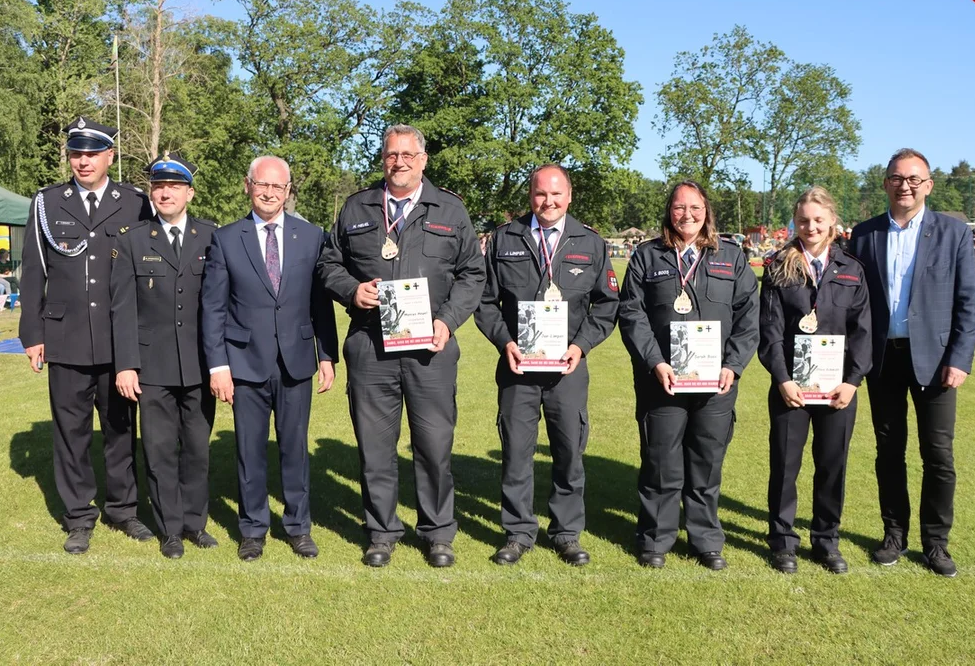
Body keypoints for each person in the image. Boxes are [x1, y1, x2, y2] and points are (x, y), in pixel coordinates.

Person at [318, 124, 485, 568]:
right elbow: (328, 263)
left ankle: (437, 533)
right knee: (375, 447)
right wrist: (352, 290)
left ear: (424, 160)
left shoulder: (450, 209)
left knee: (433, 447)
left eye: (409, 154)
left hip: (431, 349)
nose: (400, 162)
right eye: (392, 154)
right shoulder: (357, 207)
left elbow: (473, 274)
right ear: (383, 159)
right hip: (371, 346)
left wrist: (448, 322)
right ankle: (381, 531)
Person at [19, 116, 154, 554]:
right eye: (76, 153)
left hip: (119, 340)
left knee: (120, 428)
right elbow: (33, 271)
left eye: (92, 154)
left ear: (109, 156)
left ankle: (123, 510)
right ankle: (78, 515)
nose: (82, 161)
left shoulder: (134, 202)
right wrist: (32, 332)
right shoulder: (47, 203)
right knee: (70, 431)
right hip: (66, 336)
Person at [474, 164, 619, 566]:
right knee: (517, 452)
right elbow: (484, 302)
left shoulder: (590, 243)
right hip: (518, 368)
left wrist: (582, 346)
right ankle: (518, 532)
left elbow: (608, 305)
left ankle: (567, 532)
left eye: (556, 194)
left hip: (568, 369)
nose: (548, 201)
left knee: (569, 451)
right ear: (530, 196)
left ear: (569, 196)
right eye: (540, 194)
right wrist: (504, 342)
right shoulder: (505, 239)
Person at [847, 148, 975, 577]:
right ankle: (894, 535)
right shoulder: (864, 235)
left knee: (938, 455)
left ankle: (936, 543)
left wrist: (959, 359)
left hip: (938, 362)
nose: (905, 185)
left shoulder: (954, 233)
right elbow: (853, 302)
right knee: (889, 452)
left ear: (929, 185)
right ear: (885, 182)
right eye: (896, 178)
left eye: (914, 179)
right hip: (883, 360)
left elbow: (968, 304)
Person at [200, 156, 338, 562]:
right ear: (248, 185)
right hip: (245, 363)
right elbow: (213, 309)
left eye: (278, 187)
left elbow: (320, 304)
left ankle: (298, 526)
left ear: (288, 190)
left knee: (295, 448)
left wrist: (326, 354)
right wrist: (218, 365)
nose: (269, 193)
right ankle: (253, 528)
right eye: (262, 184)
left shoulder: (312, 237)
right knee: (250, 450)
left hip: (296, 360)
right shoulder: (226, 238)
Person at [618, 180, 759, 570]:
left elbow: (749, 316)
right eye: (679, 208)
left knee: (706, 462)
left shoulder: (731, 257)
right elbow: (631, 314)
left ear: (707, 211)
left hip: (716, 384)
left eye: (695, 208)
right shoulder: (648, 257)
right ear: (669, 211)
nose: (687, 215)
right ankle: (655, 539)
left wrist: (733, 365)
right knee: (660, 461)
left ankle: (706, 540)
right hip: (662, 380)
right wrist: (655, 361)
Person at [758, 187, 871, 575]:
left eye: (818, 220)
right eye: (804, 220)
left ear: (832, 223)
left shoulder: (852, 269)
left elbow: (862, 331)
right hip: (790, 389)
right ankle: (783, 540)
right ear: (796, 221)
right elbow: (769, 330)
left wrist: (853, 381)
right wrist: (782, 379)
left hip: (838, 389)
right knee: (785, 466)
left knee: (832, 466)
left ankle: (826, 540)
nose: (810, 227)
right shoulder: (778, 266)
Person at [110, 153, 218, 559]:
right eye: (158, 186)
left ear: (189, 192)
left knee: (197, 450)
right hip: (151, 367)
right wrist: (125, 363)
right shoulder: (132, 239)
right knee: (157, 451)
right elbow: (120, 308)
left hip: (198, 365)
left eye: (174, 186)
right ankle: (170, 529)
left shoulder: (210, 237)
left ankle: (195, 524)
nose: (165, 193)